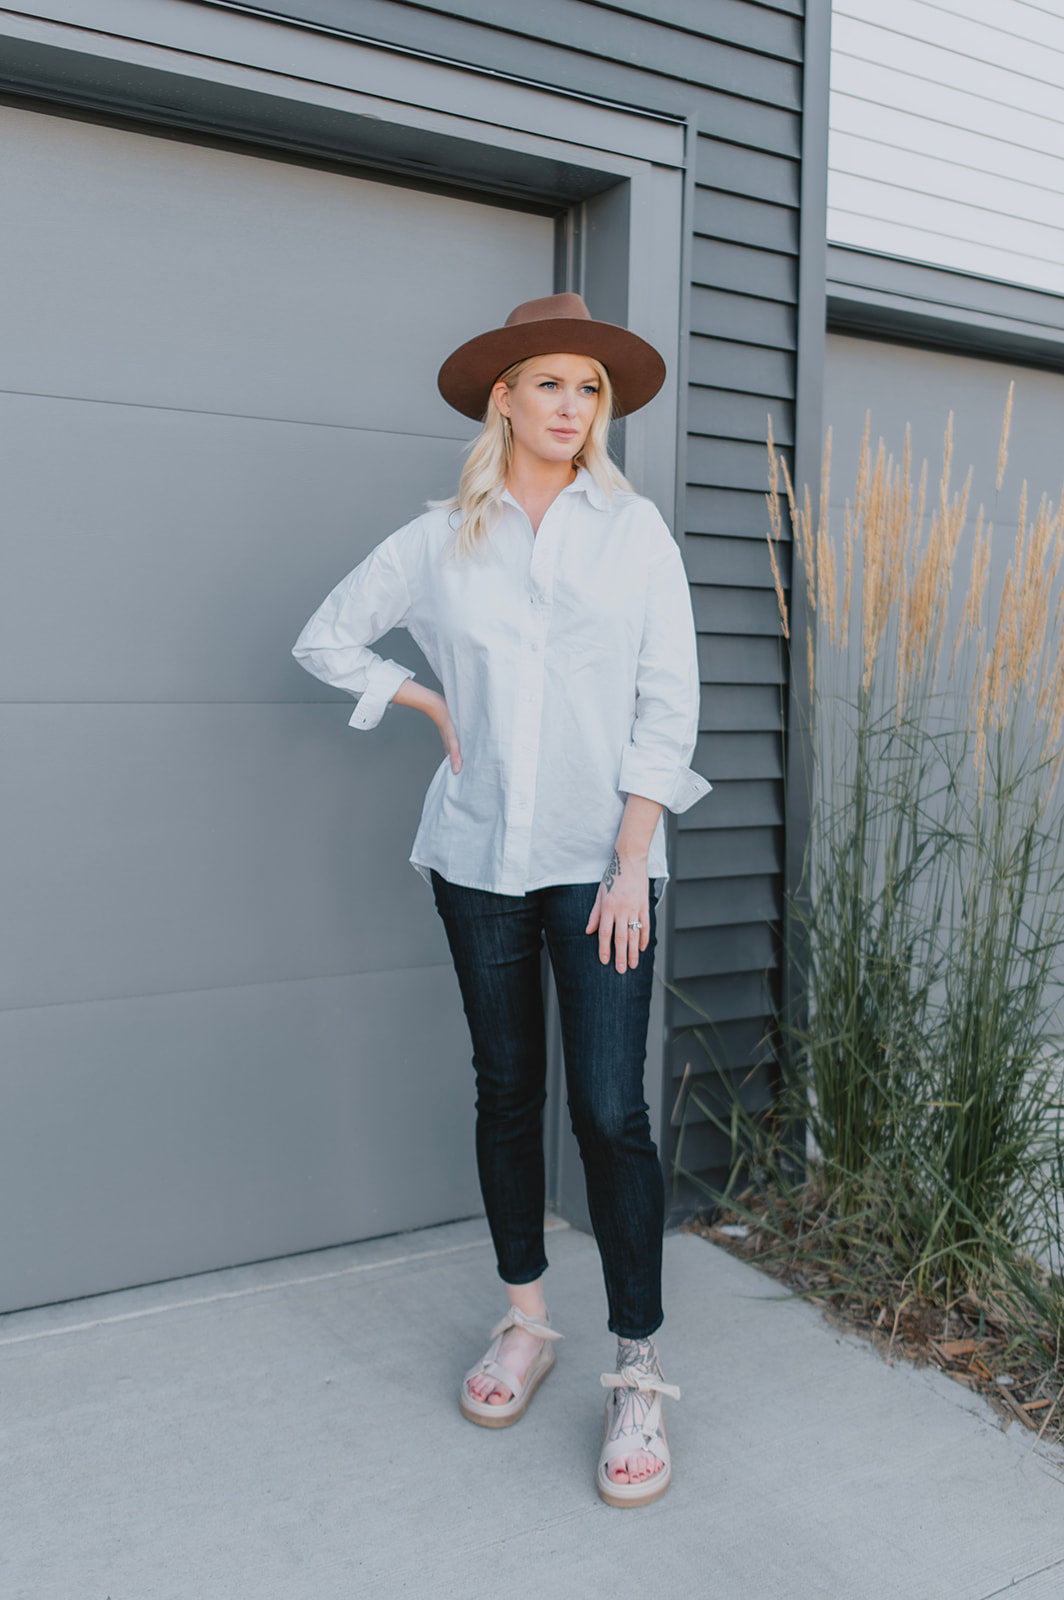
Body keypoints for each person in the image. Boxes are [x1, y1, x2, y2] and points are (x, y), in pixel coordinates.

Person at [292, 292, 710, 1507]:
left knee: (610, 1112)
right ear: (504, 400)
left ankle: (636, 1367)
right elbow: (327, 638)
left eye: (588, 388)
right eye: (549, 385)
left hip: (601, 859)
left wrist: (630, 859)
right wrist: (419, 699)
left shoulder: (634, 535)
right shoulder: (439, 540)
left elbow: (668, 700)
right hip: (476, 854)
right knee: (507, 1089)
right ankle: (525, 1319)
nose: (571, 407)